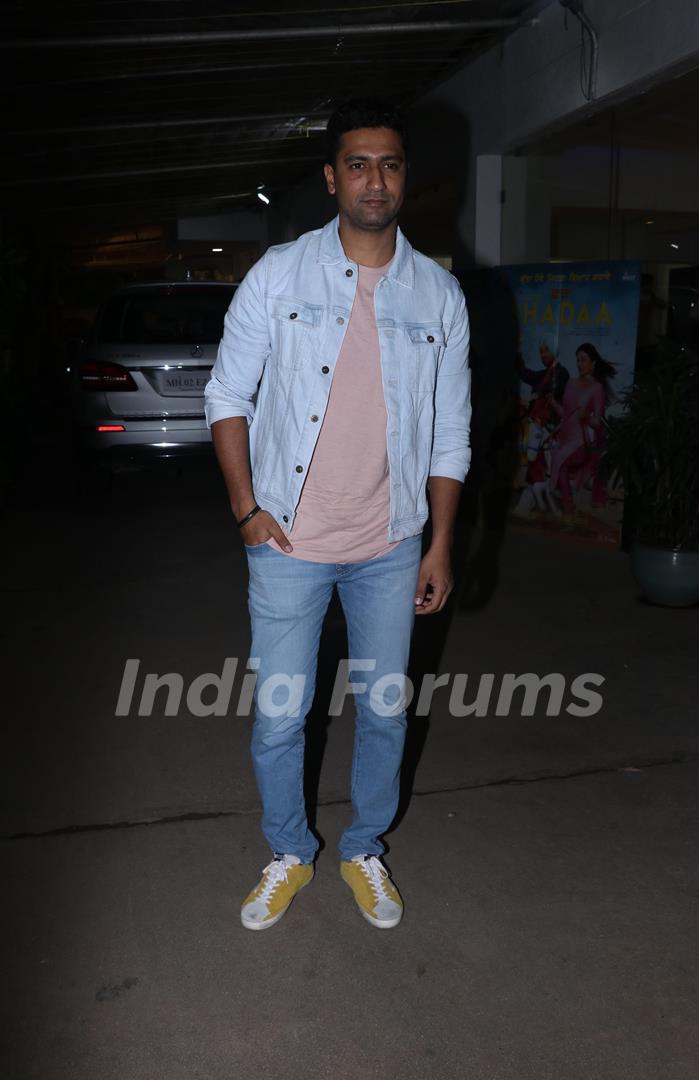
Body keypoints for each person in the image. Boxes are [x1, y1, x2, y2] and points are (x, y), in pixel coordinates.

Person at [204, 98, 471, 931]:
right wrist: (247, 509)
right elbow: (226, 393)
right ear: (331, 177)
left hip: (392, 540)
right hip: (287, 537)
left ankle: (363, 849)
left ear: (406, 178)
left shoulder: (440, 295)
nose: (374, 180)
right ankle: (289, 849)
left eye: (389, 164)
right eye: (357, 163)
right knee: (283, 711)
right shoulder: (279, 275)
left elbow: (451, 432)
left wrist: (439, 544)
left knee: (384, 707)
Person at [549, 343, 616, 514]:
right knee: (558, 460)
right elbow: (566, 414)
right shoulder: (570, 383)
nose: (579, 364)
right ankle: (568, 506)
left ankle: (568, 506)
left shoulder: (597, 388)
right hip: (565, 438)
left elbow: (598, 423)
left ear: (593, 363)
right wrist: (554, 404)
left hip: (580, 442)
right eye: (578, 360)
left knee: (560, 461)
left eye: (584, 360)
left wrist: (587, 417)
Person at [518, 342, 569, 425]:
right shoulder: (542, 375)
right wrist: (518, 354)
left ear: (554, 351)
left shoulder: (562, 372)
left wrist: (533, 396)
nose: (543, 355)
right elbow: (525, 374)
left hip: (549, 428)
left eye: (546, 350)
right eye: (541, 352)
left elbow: (554, 388)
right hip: (534, 423)